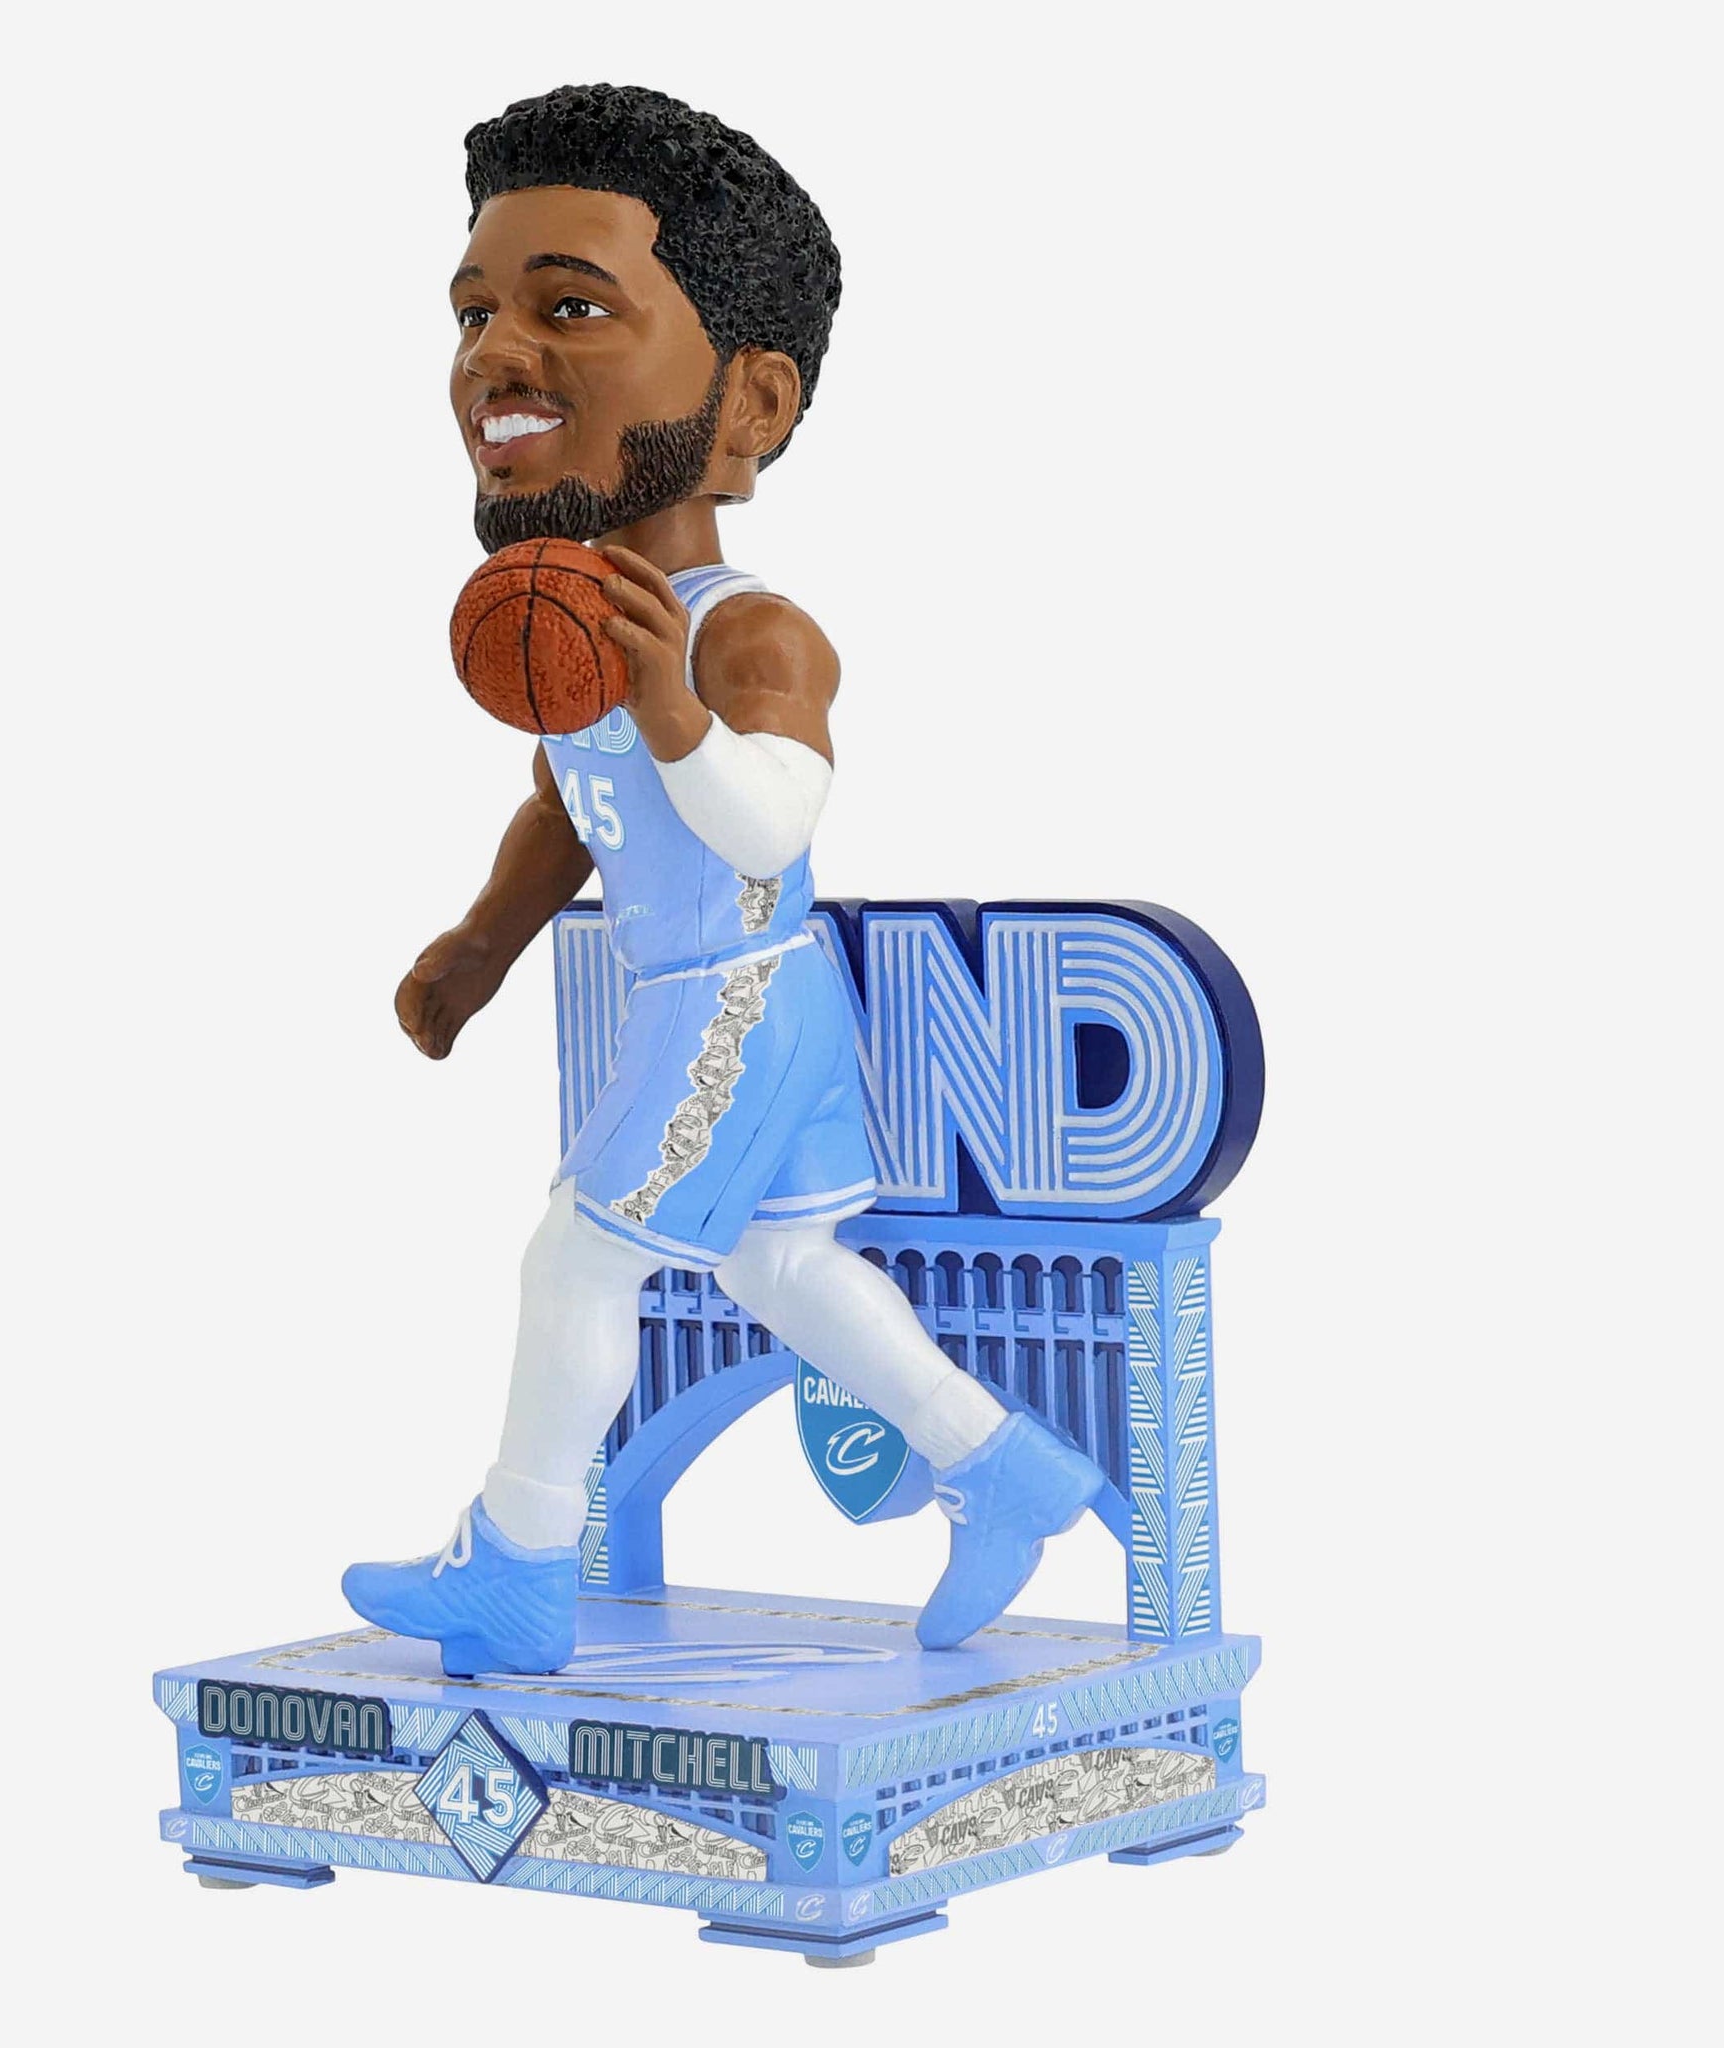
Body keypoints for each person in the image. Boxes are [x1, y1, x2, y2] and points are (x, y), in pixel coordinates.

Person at [342, 85, 1102, 1676]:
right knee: (779, 1262)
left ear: (752, 403)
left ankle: (517, 1563)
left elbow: (772, 822)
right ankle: (1004, 1468)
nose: (494, 353)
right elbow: (568, 807)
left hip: (737, 992)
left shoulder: (746, 630)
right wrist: (481, 945)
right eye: (473, 312)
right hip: (742, 999)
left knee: (578, 1255)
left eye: (569, 307)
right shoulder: (577, 632)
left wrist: (673, 709)